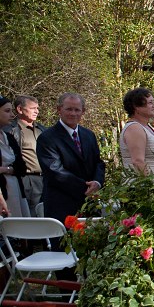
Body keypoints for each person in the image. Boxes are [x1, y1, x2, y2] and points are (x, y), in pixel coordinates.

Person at [36, 93, 105, 227]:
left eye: (77, 110)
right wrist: (86, 188)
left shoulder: (89, 135)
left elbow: (98, 162)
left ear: (83, 111)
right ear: (59, 109)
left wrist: (97, 182)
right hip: (62, 204)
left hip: (89, 205)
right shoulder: (47, 138)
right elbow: (54, 171)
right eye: (68, 109)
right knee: (63, 247)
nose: (73, 113)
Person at [5, 95, 47, 216]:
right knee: (27, 216)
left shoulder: (42, 130)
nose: (36, 111)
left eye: (37, 108)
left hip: (43, 179)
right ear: (20, 109)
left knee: (42, 214)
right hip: (24, 179)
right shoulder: (10, 130)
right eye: (32, 108)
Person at [120, 88, 154, 176]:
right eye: (150, 103)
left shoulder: (146, 127)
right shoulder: (134, 128)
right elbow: (138, 162)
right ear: (136, 107)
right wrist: (151, 185)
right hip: (145, 187)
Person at [0, 97, 27, 217]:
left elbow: (22, 167)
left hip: (15, 189)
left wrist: (6, 169)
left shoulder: (9, 137)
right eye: (7, 111)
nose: (11, 115)